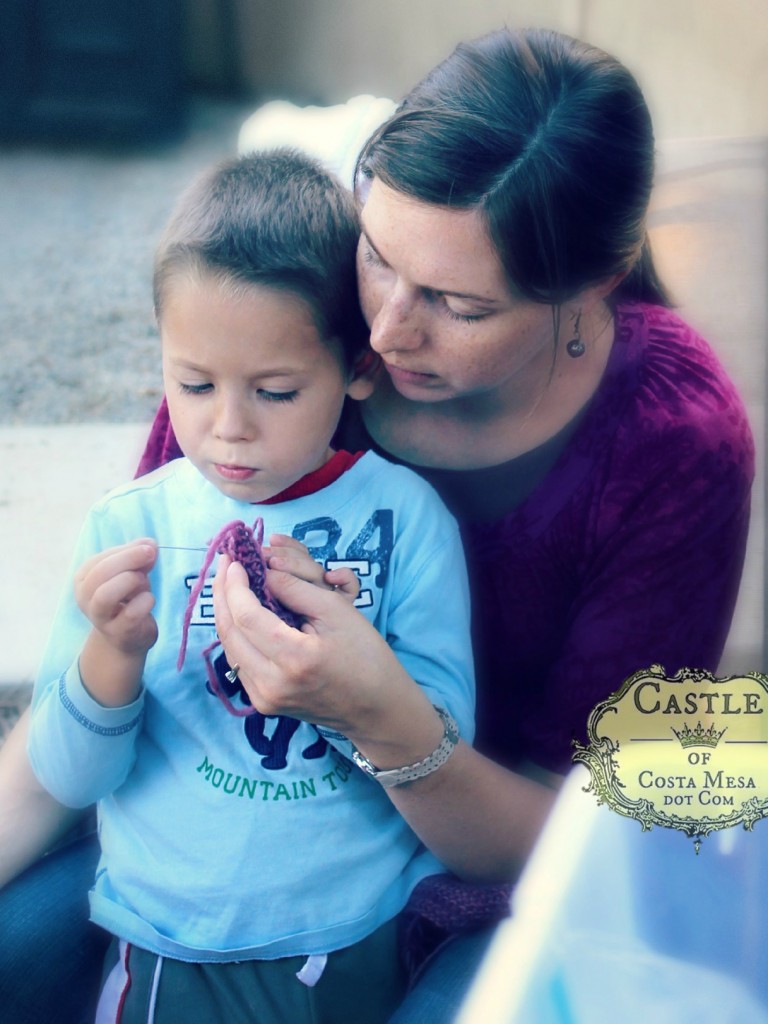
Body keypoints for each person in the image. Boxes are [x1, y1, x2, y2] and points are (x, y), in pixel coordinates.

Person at [0, 24, 755, 1024]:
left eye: (457, 303)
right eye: (380, 253)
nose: (387, 328)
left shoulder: (674, 443)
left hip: (477, 885)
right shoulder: (283, 334)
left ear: (591, 282)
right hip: (190, 854)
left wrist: (380, 718)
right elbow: (105, 679)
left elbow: (605, 837)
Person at [21, 149, 475, 1024]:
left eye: (274, 390)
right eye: (192, 384)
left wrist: (356, 683)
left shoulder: (406, 522)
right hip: (169, 939)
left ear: (355, 369)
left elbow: (445, 740)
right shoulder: (133, 529)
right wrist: (110, 660)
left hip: (351, 935)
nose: (227, 428)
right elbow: (71, 776)